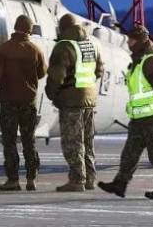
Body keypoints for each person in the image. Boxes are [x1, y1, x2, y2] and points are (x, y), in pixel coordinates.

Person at [98, 24, 153, 199]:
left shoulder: (150, 61)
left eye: (132, 39)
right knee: (129, 154)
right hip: (140, 119)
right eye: (128, 39)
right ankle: (120, 184)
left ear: (141, 41)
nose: (129, 42)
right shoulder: (138, 61)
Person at [0, 15, 48, 191]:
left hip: (8, 102)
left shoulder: (4, 49)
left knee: (10, 141)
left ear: (15, 27)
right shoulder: (35, 50)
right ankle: (31, 179)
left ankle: (12, 180)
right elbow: (42, 73)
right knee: (29, 140)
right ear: (29, 29)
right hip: (29, 102)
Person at [46, 14, 104, 192]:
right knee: (87, 141)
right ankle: (90, 178)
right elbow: (99, 70)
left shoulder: (64, 47)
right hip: (89, 100)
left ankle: (77, 180)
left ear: (62, 28)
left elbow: (57, 76)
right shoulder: (92, 44)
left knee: (73, 142)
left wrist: (52, 94)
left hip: (71, 102)